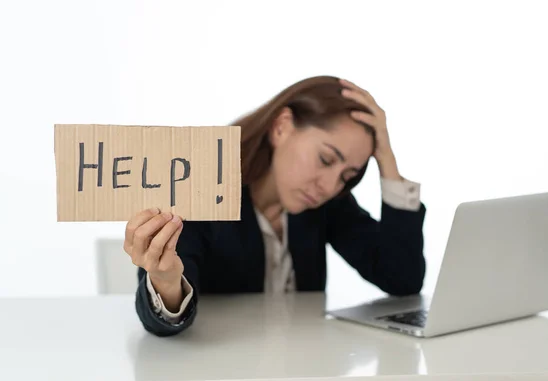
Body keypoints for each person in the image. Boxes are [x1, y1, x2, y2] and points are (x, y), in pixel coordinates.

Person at [125, 75, 427, 337]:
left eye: (347, 176)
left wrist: (387, 161)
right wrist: (165, 282)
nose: (330, 186)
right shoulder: (201, 192)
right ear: (282, 127)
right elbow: (163, 324)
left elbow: (402, 278)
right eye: (325, 159)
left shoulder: (326, 204)